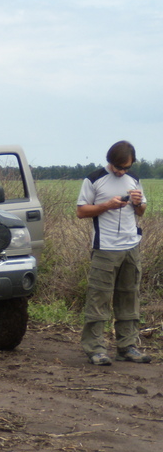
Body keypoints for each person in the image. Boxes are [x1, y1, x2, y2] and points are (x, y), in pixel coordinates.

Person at [76, 140, 150, 365]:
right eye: (118, 167)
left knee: (129, 297)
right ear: (110, 161)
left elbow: (142, 211)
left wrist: (138, 203)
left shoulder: (134, 179)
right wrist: (107, 205)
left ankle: (127, 347)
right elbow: (81, 211)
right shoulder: (93, 179)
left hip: (131, 247)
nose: (121, 172)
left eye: (125, 168)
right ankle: (95, 349)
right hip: (105, 248)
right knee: (99, 299)